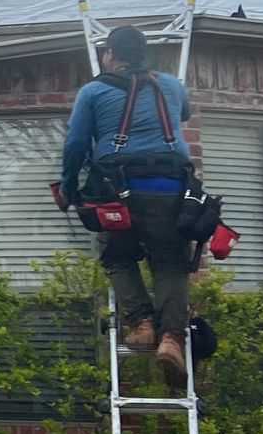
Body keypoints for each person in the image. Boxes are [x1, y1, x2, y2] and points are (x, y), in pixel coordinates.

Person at [59, 24, 197, 379]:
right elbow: (183, 114)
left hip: (116, 195)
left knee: (117, 256)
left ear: (109, 56)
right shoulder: (171, 85)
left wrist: (69, 186)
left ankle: (142, 323)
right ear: (143, 55)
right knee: (169, 263)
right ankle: (171, 339)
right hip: (170, 191)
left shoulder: (93, 91)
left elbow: (75, 144)